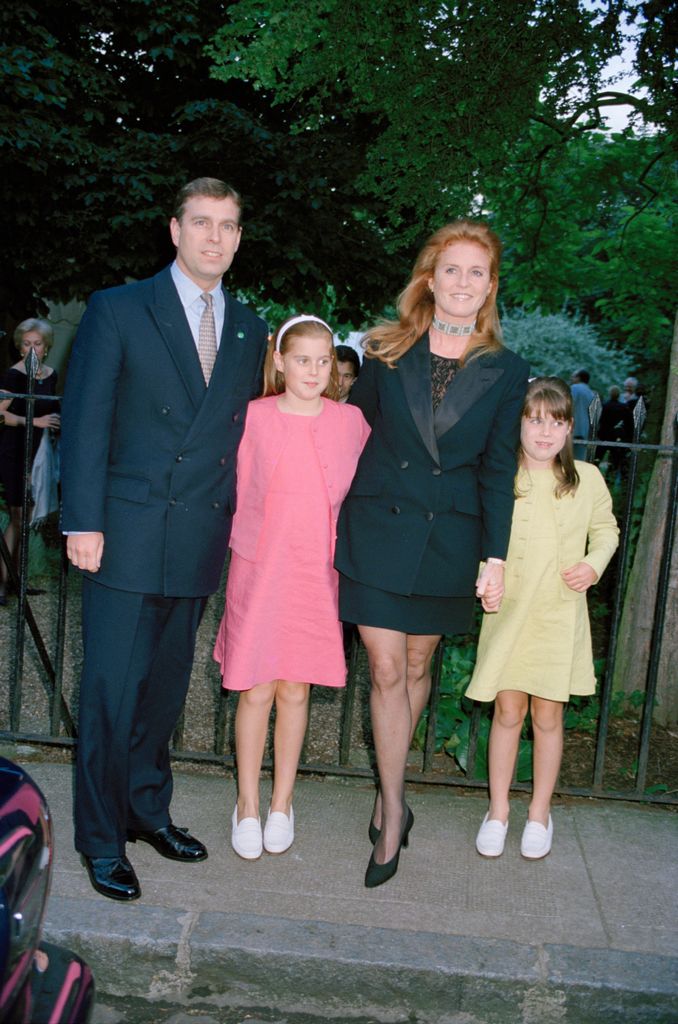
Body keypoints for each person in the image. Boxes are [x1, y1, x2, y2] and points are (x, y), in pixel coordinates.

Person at [60, 177, 268, 901]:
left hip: (199, 536)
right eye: (202, 222)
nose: (215, 237)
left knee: (164, 693)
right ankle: (99, 837)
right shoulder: (118, 308)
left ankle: (148, 811)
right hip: (124, 532)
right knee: (112, 693)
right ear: (174, 230)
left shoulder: (248, 326)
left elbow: (242, 434)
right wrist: (82, 521)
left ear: (239, 238)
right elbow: (86, 421)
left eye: (229, 225)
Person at [334, 219, 530, 887]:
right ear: (430, 277)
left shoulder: (507, 370)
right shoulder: (385, 350)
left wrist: (495, 558)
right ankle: (392, 811)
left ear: (489, 287)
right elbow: (348, 436)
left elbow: (498, 468)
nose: (463, 282)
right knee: (386, 671)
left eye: (477, 272)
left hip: (450, 538)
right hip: (378, 532)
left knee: (417, 665)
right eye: (453, 269)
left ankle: (390, 788)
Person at [214, 315, 370, 859]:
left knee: (296, 688)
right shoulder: (253, 416)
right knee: (256, 686)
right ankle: (248, 803)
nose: (313, 370)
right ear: (280, 361)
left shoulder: (350, 423)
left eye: (324, 360)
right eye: (302, 359)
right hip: (260, 566)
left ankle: (283, 802)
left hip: (315, 571)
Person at [466, 377, 619, 860]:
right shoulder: (499, 478)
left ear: (570, 428)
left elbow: (608, 532)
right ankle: (497, 811)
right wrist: (485, 580)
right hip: (508, 610)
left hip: (557, 612)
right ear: (519, 425)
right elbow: (480, 537)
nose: (545, 432)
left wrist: (592, 565)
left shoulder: (587, 478)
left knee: (548, 715)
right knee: (508, 712)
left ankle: (538, 813)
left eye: (556, 422)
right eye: (534, 421)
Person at [0, 319, 61, 605]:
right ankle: (2, 582)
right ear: (19, 347)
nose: (32, 348)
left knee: (26, 520)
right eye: (26, 343)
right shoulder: (12, 376)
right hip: (15, 451)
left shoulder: (50, 375)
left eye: (37, 343)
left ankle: (17, 580)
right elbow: (0, 415)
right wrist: (35, 422)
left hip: (41, 454)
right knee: (17, 518)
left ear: (46, 347)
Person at [596, 385, 633, 482]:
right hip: (616, 436)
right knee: (615, 460)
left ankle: (597, 476)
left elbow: (599, 421)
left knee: (597, 458)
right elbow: (629, 423)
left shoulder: (604, 406)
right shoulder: (623, 407)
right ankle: (610, 477)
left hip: (604, 435)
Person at [570, 369, 596, 460]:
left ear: (579, 378)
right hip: (585, 430)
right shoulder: (591, 393)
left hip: (573, 429)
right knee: (579, 460)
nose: (571, 378)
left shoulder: (574, 388)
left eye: (573, 376)